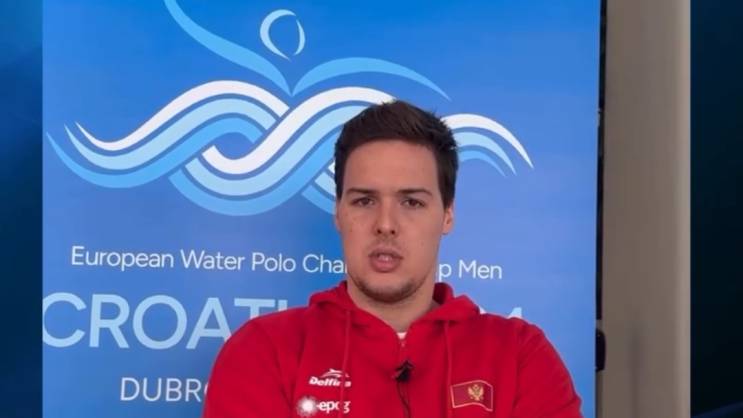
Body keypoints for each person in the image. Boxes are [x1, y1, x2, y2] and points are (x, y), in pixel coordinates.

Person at [203, 100, 582, 418]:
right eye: (364, 201)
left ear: (447, 214)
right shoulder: (264, 350)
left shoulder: (519, 355)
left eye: (411, 202)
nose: (385, 224)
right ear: (338, 213)